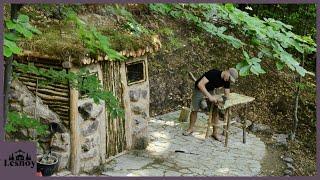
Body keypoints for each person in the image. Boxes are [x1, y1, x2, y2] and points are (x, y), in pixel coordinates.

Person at [183, 68, 239, 141]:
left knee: (215, 111)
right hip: (199, 89)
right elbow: (200, 84)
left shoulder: (226, 80)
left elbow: (227, 93)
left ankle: (215, 133)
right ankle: (190, 129)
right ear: (227, 72)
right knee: (194, 110)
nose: (229, 80)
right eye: (229, 78)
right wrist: (209, 96)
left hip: (210, 90)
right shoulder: (213, 73)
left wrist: (222, 101)